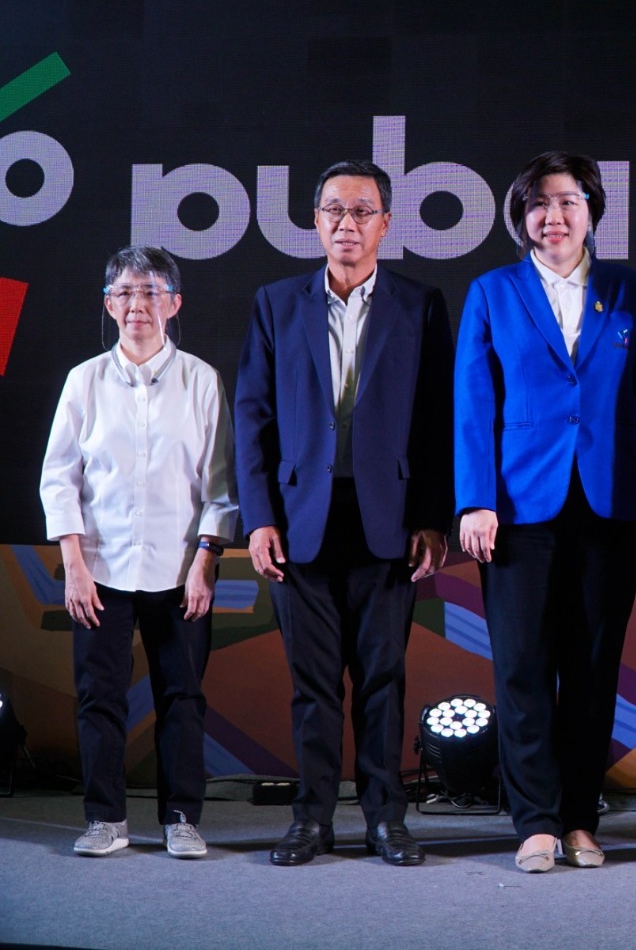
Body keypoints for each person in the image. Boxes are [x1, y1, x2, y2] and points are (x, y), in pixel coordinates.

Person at [235, 159, 453, 866]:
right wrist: (259, 517)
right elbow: (252, 417)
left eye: (362, 212)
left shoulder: (420, 304)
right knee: (313, 685)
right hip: (300, 523)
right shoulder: (276, 303)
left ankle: (386, 820)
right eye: (334, 210)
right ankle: (312, 819)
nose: (346, 224)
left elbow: (438, 419)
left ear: (385, 224)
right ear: (315, 221)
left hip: (388, 522)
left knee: (383, 682)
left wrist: (432, 518)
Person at [455, 152, 636, 873]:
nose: (554, 216)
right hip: (517, 507)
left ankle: (579, 818)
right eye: (538, 204)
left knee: (593, 667)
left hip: (611, 503)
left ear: (592, 211)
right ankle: (535, 821)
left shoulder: (631, 290)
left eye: (568, 201)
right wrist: (475, 499)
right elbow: (473, 402)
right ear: (521, 218)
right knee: (522, 666)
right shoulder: (492, 291)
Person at [41, 245, 237, 859]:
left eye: (150, 292)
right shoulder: (85, 381)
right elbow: (59, 479)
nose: (137, 305)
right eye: (125, 292)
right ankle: (106, 819)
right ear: (109, 304)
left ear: (174, 304)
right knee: (99, 696)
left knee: (183, 697)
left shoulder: (201, 379)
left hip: (181, 571)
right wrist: (74, 567)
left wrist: (205, 562)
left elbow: (220, 484)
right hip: (99, 569)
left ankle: (181, 819)